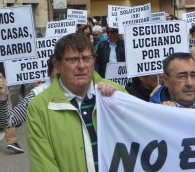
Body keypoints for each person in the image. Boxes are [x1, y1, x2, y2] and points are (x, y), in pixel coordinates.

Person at [27, 33, 124, 171]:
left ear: (94, 60)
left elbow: (140, 133)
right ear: (57, 64)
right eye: (73, 60)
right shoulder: (39, 107)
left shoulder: (116, 91)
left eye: (86, 58)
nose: (82, 65)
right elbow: (44, 165)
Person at [0, 56, 56, 129]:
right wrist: (2, 96)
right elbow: (7, 121)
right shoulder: (38, 95)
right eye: (57, 77)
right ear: (50, 74)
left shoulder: (72, 92)